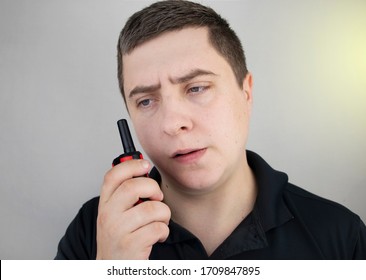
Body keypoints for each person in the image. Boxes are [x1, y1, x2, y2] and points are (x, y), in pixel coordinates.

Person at [55, 0, 366, 260]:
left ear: (247, 93)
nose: (172, 123)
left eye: (197, 88)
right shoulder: (94, 232)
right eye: (147, 101)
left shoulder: (339, 234)